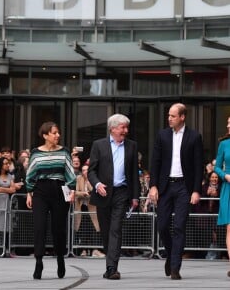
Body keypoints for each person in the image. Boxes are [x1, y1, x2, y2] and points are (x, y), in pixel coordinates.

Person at [149, 103, 203, 280]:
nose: (169, 118)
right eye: (169, 115)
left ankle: (175, 267)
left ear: (182, 117)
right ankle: (172, 254)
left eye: (173, 116)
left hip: (183, 188)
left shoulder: (194, 137)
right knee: (162, 225)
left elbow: (198, 166)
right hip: (165, 187)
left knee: (180, 226)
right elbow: (155, 162)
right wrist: (153, 186)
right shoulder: (162, 135)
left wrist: (196, 190)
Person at [88, 113, 140, 280]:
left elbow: (133, 173)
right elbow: (91, 171)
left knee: (116, 230)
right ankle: (109, 265)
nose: (126, 130)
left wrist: (135, 196)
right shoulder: (99, 145)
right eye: (122, 127)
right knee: (106, 232)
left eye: (126, 127)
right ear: (112, 128)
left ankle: (112, 268)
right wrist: (97, 184)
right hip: (103, 193)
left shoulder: (132, 146)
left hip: (121, 193)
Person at [25, 121, 76, 280]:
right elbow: (30, 174)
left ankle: (60, 258)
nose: (58, 135)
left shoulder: (64, 151)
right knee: (39, 226)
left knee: (58, 228)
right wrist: (29, 193)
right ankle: (38, 261)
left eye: (58, 132)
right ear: (45, 135)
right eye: (54, 133)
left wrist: (72, 191)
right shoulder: (35, 152)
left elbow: (69, 173)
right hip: (40, 191)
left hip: (60, 190)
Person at [74, 164, 105, 258]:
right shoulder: (78, 179)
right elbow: (75, 192)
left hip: (93, 208)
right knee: (82, 229)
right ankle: (83, 250)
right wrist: (83, 193)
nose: (85, 172)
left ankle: (95, 250)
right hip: (82, 207)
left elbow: (96, 191)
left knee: (95, 229)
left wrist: (88, 185)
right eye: (83, 170)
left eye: (87, 170)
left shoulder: (94, 179)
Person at [214, 116, 230, 276]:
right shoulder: (224, 144)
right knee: (229, 227)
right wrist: (225, 175)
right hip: (228, 186)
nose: (227, 125)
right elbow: (216, 167)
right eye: (227, 123)